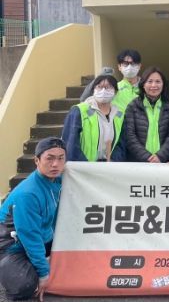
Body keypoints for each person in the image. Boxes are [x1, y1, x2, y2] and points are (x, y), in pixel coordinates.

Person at [0, 137, 66, 301]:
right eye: (49, 158)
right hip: (11, 247)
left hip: (41, 237)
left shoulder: (57, 180)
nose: (55, 164)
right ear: (37, 160)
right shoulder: (28, 193)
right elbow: (30, 235)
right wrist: (43, 273)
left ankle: (37, 262)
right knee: (24, 285)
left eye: (61, 158)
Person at [62, 74, 125, 161]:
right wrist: (85, 165)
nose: (103, 91)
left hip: (107, 166)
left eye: (108, 87)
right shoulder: (79, 111)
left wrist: (113, 161)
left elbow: (120, 144)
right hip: (82, 165)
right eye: (99, 87)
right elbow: (70, 143)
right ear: (93, 90)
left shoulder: (119, 114)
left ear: (116, 92)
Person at [122, 67, 169, 163]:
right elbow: (129, 136)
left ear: (163, 85)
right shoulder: (133, 106)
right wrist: (147, 157)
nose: (154, 85)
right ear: (143, 84)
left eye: (158, 81)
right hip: (138, 163)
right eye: (150, 81)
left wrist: (160, 156)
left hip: (162, 162)